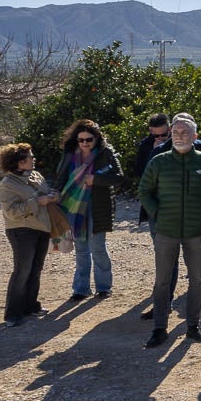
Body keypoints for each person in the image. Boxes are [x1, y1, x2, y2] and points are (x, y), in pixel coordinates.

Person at [138, 117, 201, 347]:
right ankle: (159, 328)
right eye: (176, 131)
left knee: (197, 280)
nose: (180, 135)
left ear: (195, 136)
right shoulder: (159, 161)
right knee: (162, 281)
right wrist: (157, 213)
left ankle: (193, 326)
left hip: (195, 231)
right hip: (166, 230)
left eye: (185, 132)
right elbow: (144, 190)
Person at [54, 119, 124, 301]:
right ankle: (80, 289)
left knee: (98, 246)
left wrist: (96, 180)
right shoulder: (70, 154)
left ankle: (103, 287)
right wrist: (55, 195)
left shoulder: (106, 153)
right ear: (76, 140)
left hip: (98, 206)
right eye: (81, 140)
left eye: (89, 140)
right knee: (81, 248)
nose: (85, 143)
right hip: (74, 207)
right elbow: (61, 178)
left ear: (97, 139)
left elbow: (119, 178)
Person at [0, 142, 57, 327]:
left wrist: (54, 196)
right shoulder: (7, 185)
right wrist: (37, 202)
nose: (33, 159)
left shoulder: (36, 176)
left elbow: (45, 195)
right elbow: (11, 212)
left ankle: (31, 306)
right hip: (21, 231)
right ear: (19, 162)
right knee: (22, 270)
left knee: (35, 269)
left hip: (41, 228)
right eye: (30, 156)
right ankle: (13, 314)